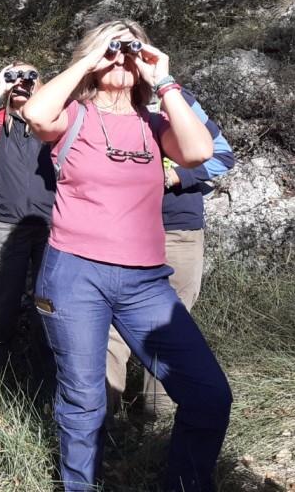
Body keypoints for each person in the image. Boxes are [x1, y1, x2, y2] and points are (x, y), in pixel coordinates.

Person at [20, 19, 232, 492]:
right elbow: (36, 114)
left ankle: (184, 485)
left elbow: (199, 152)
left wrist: (165, 79)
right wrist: (88, 62)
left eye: (129, 49)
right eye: (111, 49)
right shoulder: (72, 118)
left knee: (208, 395)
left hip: (146, 282)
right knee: (85, 401)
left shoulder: (156, 125)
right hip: (75, 274)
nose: (121, 57)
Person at [106, 88, 235, 417]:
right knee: (110, 327)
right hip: (121, 230)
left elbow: (222, 155)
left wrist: (176, 176)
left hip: (178, 230)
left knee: (170, 326)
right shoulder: (102, 103)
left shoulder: (176, 100)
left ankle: (156, 421)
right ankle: (105, 424)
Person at [0, 61, 56, 379]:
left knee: (47, 302)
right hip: (6, 225)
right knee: (2, 301)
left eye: (30, 77)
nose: (22, 83)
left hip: (49, 226)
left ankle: (45, 373)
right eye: (15, 78)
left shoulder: (52, 125)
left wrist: (40, 93)